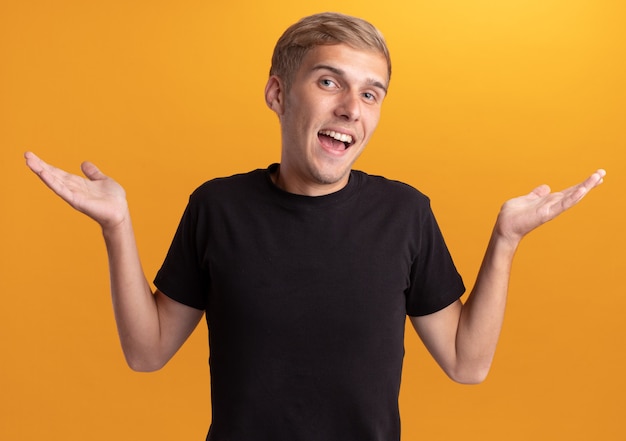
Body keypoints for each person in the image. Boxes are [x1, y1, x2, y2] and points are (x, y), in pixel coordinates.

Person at [25, 11, 605, 441]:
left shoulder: (405, 214)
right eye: (329, 82)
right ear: (278, 94)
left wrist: (505, 239)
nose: (352, 106)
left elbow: (466, 362)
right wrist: (116, 226)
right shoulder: (217, 208)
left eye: (371, 93)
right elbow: (146, 352)